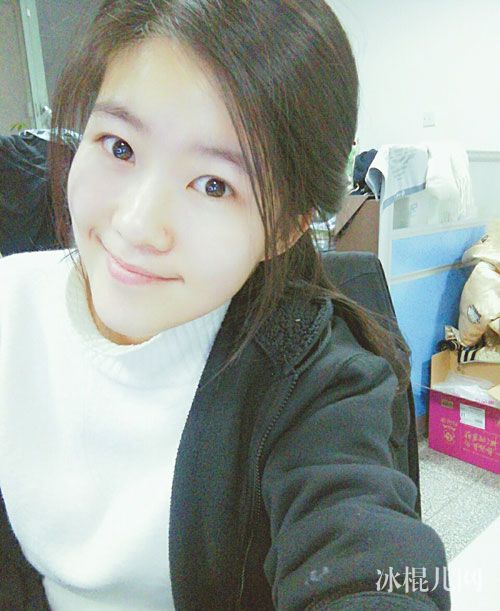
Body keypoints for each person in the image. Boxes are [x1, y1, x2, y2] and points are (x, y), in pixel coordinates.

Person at [0, 1, 450, 609]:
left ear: (286, 227)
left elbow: (372, 561)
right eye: (119, 146)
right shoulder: (11, 312)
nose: (137, 225)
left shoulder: (316, 380)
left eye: (214, 185)